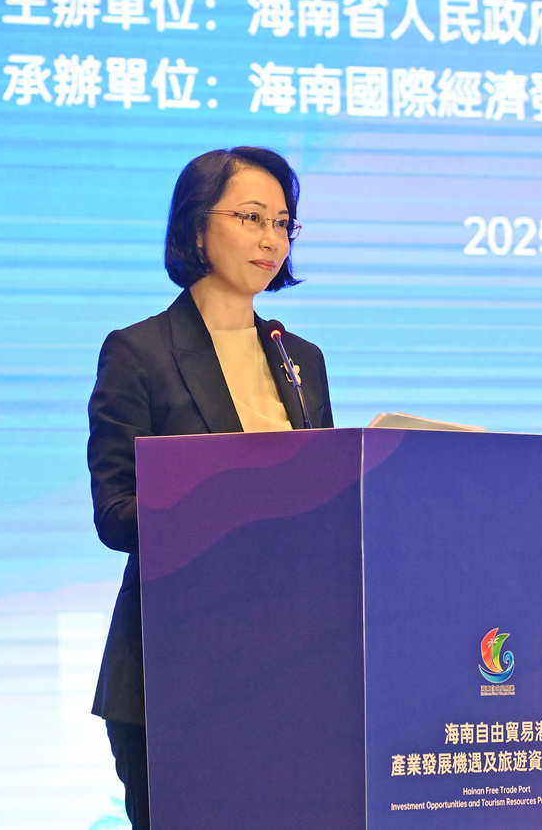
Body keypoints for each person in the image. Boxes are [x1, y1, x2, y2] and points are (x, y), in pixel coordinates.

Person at [85, 147, 334, 830]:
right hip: (177, 672)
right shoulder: (138, 353)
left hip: (291, 670)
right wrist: (225, 507)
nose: (271, 240)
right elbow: (114, 512)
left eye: (283, 223)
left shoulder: (301, 359)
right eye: (251, 217)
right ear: (197, 227)